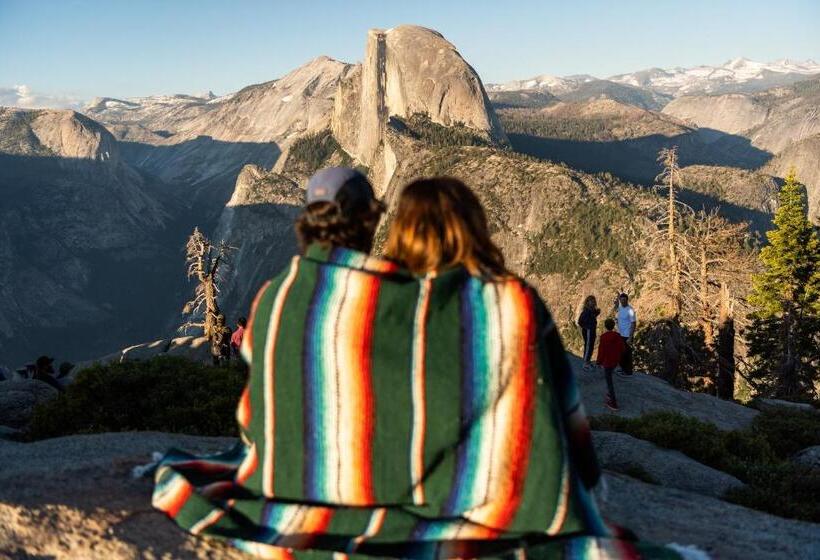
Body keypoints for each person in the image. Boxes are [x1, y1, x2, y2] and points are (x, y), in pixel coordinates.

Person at [150, 171, 683, 559]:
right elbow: (558, 422)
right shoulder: (499, 305)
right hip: (466, 499)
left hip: (291, 483)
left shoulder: (281, 296)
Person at [597, 318, 626, 411]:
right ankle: (610, 394)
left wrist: (599, 362)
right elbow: (622, 349)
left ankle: (613, 404)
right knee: (610, 378)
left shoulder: (603, 337)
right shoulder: (618, 336)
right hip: (615, 361)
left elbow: (601, 351)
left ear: (605, 326)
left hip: (607, 362)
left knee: (609, 382)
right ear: (613, 326)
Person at [615, 292, 636, 377]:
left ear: (627, 300)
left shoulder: (630, 310)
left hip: (627, 335)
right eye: (621, 300)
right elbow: (617, 311)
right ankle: (622, 369)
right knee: (621, 352)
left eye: (624, 300)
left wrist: (630, 337)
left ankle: (628, 372)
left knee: (627, 353)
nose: (623, 301)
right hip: (620, 334)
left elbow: (633, 323)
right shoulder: (620, 308)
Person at [577, 295, 600, 370]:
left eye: (593, 301)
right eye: (591, 301)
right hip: (588, 331)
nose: (593, 302)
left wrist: (596, 313)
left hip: (592, 330)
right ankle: (585, 364)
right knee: (588, 346)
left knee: (591, 346)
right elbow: (580, 321)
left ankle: (588, 361)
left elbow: (591, 318)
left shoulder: (591, 310)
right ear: (587, 302)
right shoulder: (586, 311)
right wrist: (587, 327)